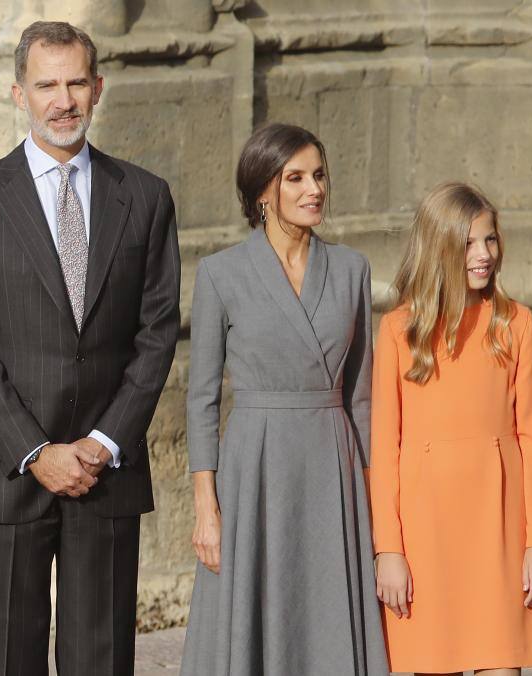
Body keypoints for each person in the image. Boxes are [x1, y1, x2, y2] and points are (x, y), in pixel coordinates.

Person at [0, 20, 180, 676]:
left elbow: (157, 333)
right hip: (10, 472)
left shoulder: (147, 198)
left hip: (108, 473)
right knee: (11, 657)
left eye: (76, 81)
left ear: (98, 88)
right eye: (47, 84)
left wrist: (105, 442)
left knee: (101, 659)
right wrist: (35, 451)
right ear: (20, 93)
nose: (63, 98)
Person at [181, 123, 388, 675]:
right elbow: (201, 399)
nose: (312, 189)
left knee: (329, 615)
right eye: (294, 177)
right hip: (255, 469)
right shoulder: (220, 274)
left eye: (318, 175)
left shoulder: (352, 270)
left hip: (333, 465)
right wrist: (207, 508)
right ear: (263, 194)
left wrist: (375, 506)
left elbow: (362, 398)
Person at [371, 182, 532, 675]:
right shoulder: (398, 331)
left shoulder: (514, 323)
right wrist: (388, 550)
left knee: (503, 665)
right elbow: (384, 449)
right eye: (469, 243)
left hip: (498, 527)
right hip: (426, 531)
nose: (483, 255)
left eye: (490, 240)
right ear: (439, 246)